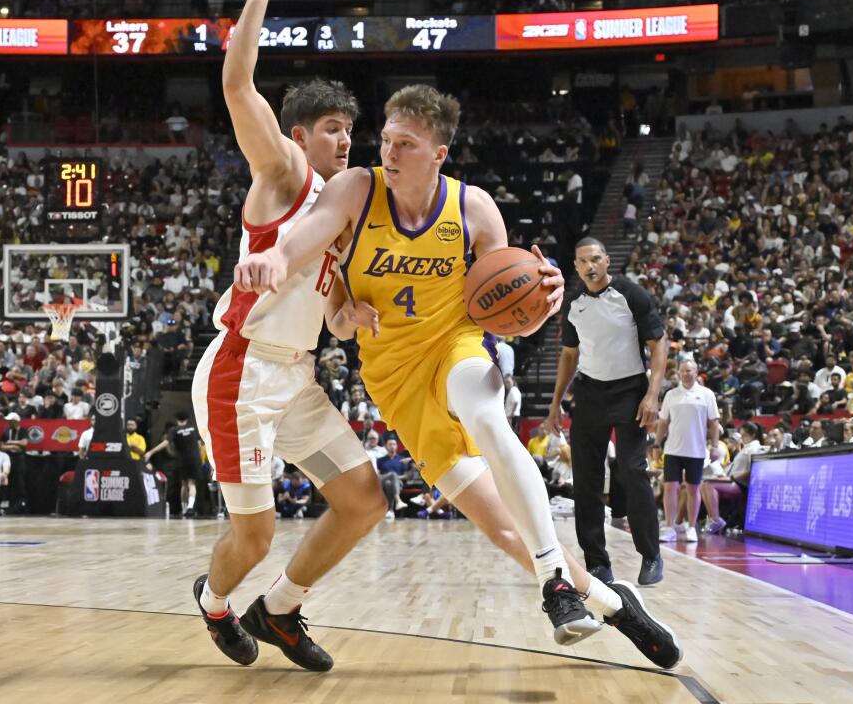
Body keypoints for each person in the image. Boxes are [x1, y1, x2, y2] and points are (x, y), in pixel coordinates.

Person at [234, 81, 680, 669]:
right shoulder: (354, 190)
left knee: (487, 417)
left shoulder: (472, 208)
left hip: (456, 343)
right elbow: (302, 242)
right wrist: (274, 258)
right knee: (501, 527)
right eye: (387, 140)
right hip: (395, 379)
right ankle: (615, 606)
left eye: (406, 144)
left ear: (439, 153)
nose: (389, 153)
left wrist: (542, 302)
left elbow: (514, 309)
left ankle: (555, 584)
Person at [190, 0, 387, 676]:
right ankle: (213, 602)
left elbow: (331, 313)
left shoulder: (345, 218)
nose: (345, 143)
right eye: (333, 131)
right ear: (301, 135)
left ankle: (279, 608)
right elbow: (238, 85)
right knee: (256, 535)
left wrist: (351, 316)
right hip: (241, 373)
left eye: (351, 131)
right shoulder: (284, 176)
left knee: (366, 499)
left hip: (297, 374)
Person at [544, 237, 668, 589]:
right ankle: (597, 563)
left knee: (632, 470)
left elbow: (659, 343)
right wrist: (555, 403)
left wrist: (652, 393)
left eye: (596, 259)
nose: (590, 266)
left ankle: (651, 555)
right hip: (589, 393)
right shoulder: (573, 304)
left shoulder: (631, 295)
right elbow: (569, 355)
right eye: (583, 261)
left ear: (607, 260)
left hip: (630, 392)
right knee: (586, 480)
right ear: (576, 267)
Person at [655, 358, 726, 541]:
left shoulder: (707, 394)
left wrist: (715, 446)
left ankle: (692, 527)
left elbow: (713, 422)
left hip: (696, 450)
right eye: (683, 371)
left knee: (694, 490)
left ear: (696, 373)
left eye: (689, 370)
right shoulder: (671, 395)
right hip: (672, 450)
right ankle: (670, 527)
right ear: (679, 373)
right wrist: (656, 443)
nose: (686, 374)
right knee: (671, 487)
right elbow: (663, 422)